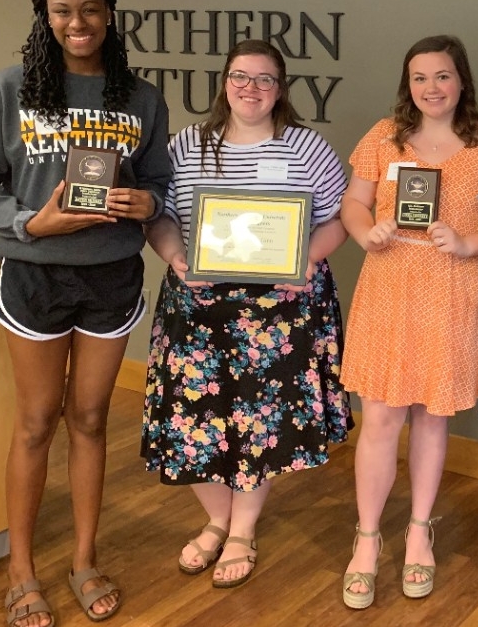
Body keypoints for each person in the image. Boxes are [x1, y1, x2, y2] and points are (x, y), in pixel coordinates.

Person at [0, 0, 171, 627]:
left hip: (110, 275)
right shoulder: (9, 90)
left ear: (109, 15)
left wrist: (145, 201)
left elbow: (160, 183)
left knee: (90, 420)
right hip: (35, 275)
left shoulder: (140, 96)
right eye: (62, 11)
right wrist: (32, 222)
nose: (76, 22)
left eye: (89, 9)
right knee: (35, 422)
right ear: (45, 20)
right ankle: (22, 569)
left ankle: (82, 558)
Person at [139, 39, 351, 590]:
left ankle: (243, 530)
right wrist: (175, 258)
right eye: (240, 76)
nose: (250, 88)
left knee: (258, 423)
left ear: (281, 89)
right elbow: (158, 217)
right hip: (198, 305)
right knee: (191, 421)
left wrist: (307, 259)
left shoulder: (306, 148)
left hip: (278, 313)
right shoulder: (187, 145)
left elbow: (339, 219)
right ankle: (216, 519)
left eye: (263, 79)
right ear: (224, 82)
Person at [339, 35, 478, 608]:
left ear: (462, 80)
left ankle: (418, 532)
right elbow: (353, 204)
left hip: (453, 287)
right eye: (420, 78)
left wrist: (467, 243)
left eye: (442, 76)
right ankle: (366, 541)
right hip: (391, 285)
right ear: (406, 84)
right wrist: (370, 232)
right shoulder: (383, 137)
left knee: (432, 419)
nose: (431, 88)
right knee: (381, 418)